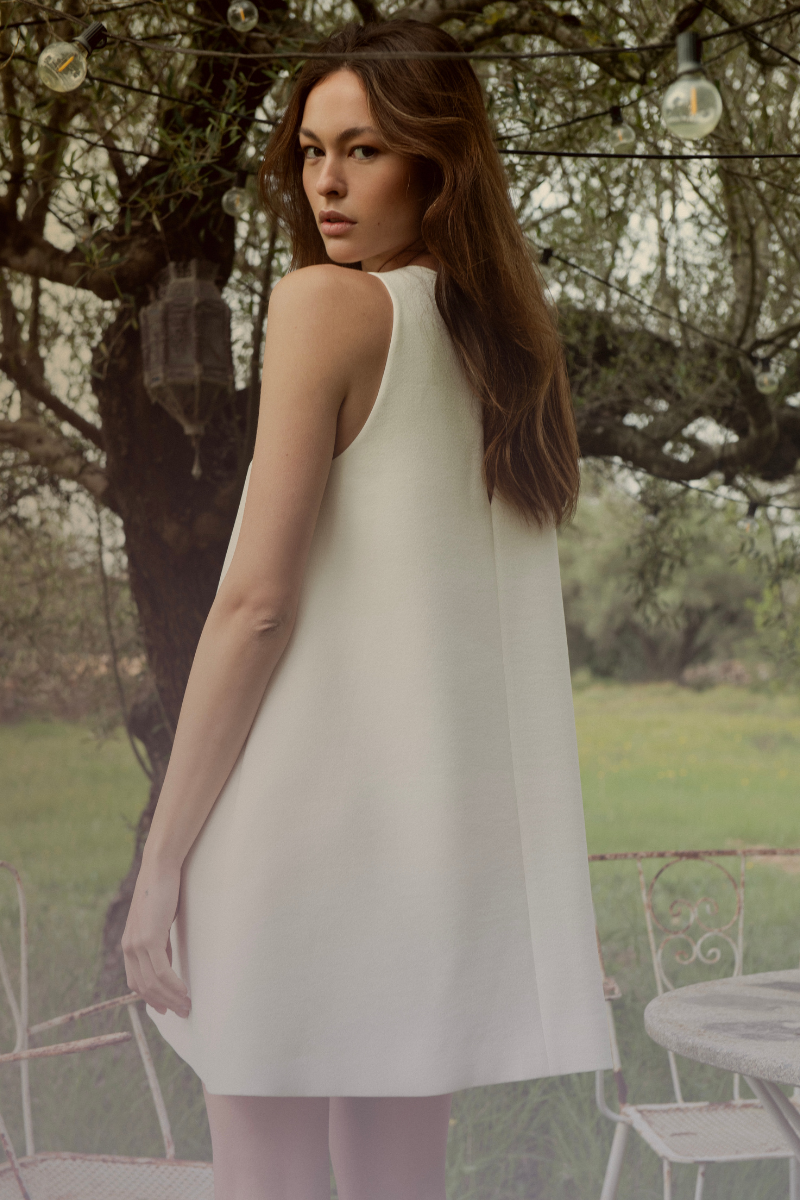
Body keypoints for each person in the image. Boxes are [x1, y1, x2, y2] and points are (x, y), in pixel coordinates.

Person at [122, 18, 612, 1200]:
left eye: (363, 150)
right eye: (310, 151)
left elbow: (255, 605)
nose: (326, 183)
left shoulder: (326, 307)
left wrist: (162, 860)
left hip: (292, 835)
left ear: (436, 164)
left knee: (267, 1178)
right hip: (417, 854)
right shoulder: (505, 352)